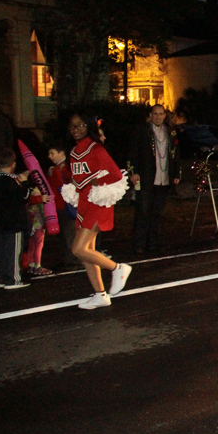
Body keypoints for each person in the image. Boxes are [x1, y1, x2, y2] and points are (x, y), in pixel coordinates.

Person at [67, 113, 132, 310]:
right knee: (87, 252)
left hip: (98, 203)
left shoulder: (96, 148)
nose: (76, 129)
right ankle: (100, 295)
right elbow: (78, 177)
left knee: (78, 249)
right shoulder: (74, 152)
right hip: (84, 203)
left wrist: (94, 181)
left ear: (89, 127)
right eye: (73, 126)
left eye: (80, 125)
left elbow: (115, 175)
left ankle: (118, 268)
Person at [127, 104, 180, 254]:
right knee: (143, 211)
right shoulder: (142, 131)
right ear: (150, 115)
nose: (158, 117)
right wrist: (133, 171)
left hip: (163, 178)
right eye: (155, 114)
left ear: (164, 116)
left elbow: (175, 153)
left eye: (161, 114)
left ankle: (152, 242)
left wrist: (176, 173)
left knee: (156, 212)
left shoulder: (170, 132)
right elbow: (132, 152)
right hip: (147, 177)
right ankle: (139, 243)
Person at [0, 148, 31, 289]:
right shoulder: (11, 182)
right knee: (13, 251)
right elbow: (23, 198)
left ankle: (2, 277)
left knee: (1, 250)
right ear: (13, 164)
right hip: (14, 222)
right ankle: (13, 280)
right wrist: (25, 183)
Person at [47, 143, 82, 269]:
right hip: (58, 205)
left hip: (65, 205)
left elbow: (68, 183)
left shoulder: (67, 167)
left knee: (69, 234)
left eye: (52, 153)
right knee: (63, 234)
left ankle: (73, 260)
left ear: (61, 153)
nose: (50, 156)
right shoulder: (57, 168)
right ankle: (68, 258)